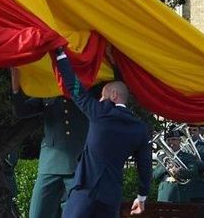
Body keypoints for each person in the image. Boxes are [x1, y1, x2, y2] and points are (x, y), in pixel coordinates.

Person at [50, 49, 150, 218]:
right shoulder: (140, 128)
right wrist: (142, 197)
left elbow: (73, 86)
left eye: (102, 96)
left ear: (114, 95)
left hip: (84, 191)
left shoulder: (99, 112)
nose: (100, 100)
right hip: (111, 196)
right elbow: (145, 166)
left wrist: (59, 52)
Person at [9, 68, 87, 218]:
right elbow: (21, 111)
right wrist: (15, 80)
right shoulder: (47, 95)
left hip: (78, 163)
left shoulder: (85, 91)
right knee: (37, 213)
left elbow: (113, 87)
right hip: (50, 163)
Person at [150, 127, 194, 203]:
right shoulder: (162, 157)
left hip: (181, 192)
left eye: (173, 139)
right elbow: (154, 175)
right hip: (164, 193)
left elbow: (193, 173)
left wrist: (180, 171)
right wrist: (165, 167)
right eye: (168, 140)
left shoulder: (188, 157)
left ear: (180, 141)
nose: (171, 142)